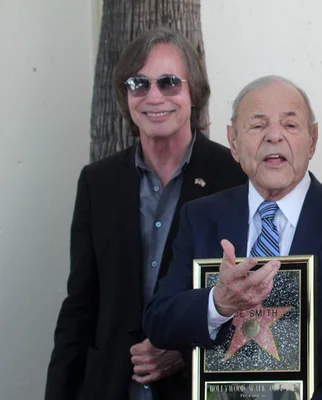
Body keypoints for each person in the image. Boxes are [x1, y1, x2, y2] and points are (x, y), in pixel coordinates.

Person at [142, 75, 322, 399]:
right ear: (233, 141)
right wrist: (218, 303)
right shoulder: (200, 217)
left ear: (312, 139)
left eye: (290, 125)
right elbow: (159, 321)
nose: (274, 136)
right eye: (257, 126)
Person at [45, 27, 247, 400]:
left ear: (193, 91)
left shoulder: (234, 177)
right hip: (109, 387)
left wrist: (183, 351)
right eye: (139, 84)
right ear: (126, 96)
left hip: (194, 388)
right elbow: (81, 305)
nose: (154, 97)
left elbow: (254, 301)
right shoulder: (97, 182)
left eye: (169, 82)